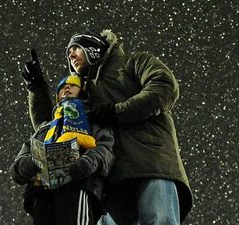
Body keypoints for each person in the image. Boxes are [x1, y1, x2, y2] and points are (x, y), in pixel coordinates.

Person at [21, 30, 193, 224]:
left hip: (150, 164)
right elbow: (54, 127)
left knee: (157, 220)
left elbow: (164, 87)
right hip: (109, 181)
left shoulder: (134, 62)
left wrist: (117, 112)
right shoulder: (83, 92)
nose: (70, 55)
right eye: (69, 52)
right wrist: (36, 88)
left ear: (93, 46)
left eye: (76, 47)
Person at [10, 74, 114, 225]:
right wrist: (24, 166)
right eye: (62, 88)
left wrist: (86, 163)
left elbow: (105, 148)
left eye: (73, 85)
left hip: (77, 186)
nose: (66, 88)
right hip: (41, 193)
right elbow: (23, 155)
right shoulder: (46, 127)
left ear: (83, 92)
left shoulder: (93, 119)